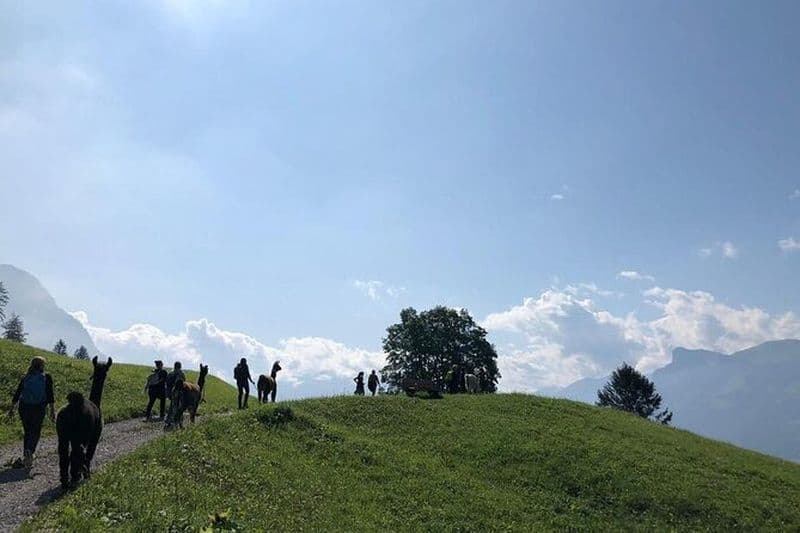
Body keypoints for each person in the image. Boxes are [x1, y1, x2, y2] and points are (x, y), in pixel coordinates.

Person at [7, 356, 55, 469]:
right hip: (38, 408)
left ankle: (26, 455)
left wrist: (11, 409)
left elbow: (17, 393)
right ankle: (30, 451)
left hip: (24, 407)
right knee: (36, 431)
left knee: (27, 431)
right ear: (42, 365)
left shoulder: (26, 377)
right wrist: (52, 410)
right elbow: (50, 395)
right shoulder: (46, 377)